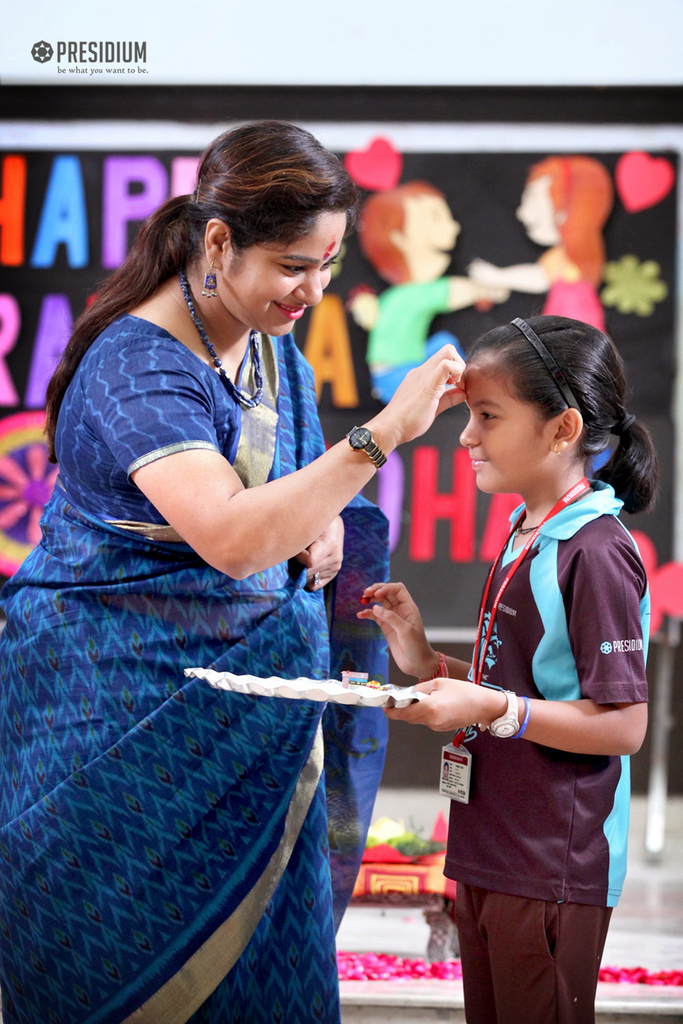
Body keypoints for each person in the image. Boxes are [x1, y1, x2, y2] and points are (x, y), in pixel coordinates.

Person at [0, 121, 466, 1024]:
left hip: (255, 730)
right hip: (117, 736)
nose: (315, 290)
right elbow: (229, 537)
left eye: (329, 264)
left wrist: (323, 527)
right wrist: (382, 436)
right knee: (120, 973)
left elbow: (282, 501)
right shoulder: (137, 365)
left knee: (270, 981)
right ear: (218, 242)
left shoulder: (262, 344)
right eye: (295, 265)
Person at [359, 314, 656, 1024]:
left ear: (561, 429)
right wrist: (425, 660)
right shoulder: (532, 532)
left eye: (487, 416)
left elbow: (623, 727)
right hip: (489, 849)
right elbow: (528, 687)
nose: (464, 436)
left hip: (552, 862)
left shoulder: (595, 549)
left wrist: (490, 711)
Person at [469, 157, 613, 331]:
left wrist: (497, 276)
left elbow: (539, 277)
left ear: (565, 206)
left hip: (574, 340)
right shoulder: (564, 256)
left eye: (533, 197)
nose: (522, 213)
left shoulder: (568, 261)